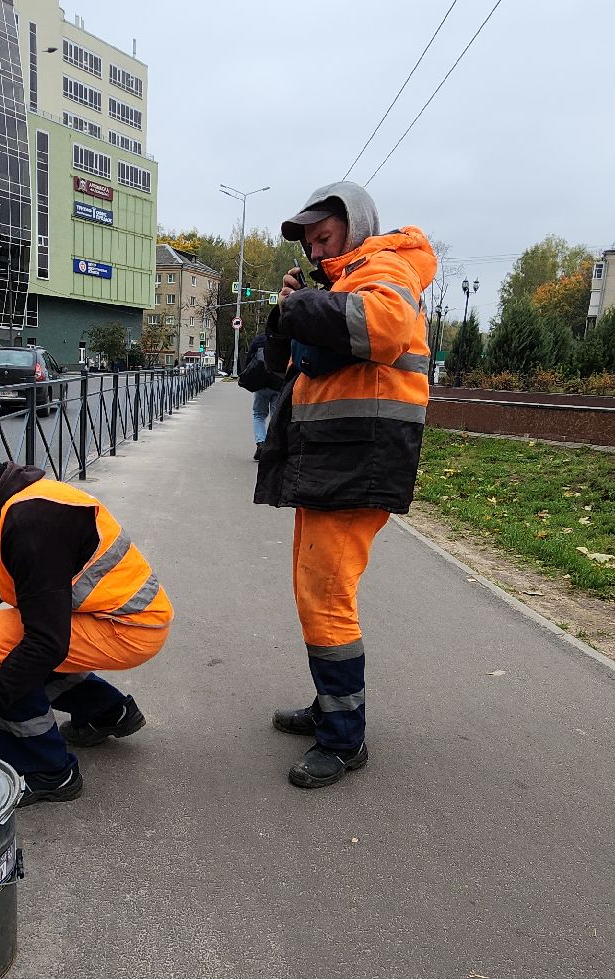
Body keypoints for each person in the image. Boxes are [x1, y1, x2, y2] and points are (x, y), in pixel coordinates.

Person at [241, 181, 435, 789]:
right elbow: (275, 372)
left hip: (360, 460)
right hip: (334, 461)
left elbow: (383, 328)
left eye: (325, 237)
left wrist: (301, 309)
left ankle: (344, 740)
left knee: (327, 598)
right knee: (313, 591)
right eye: (310, 243)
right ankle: (332, 707)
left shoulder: (385, 267)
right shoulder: (344, 281)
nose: (317, 251)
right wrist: (293, 317)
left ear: (355, 226)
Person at [0, 438, 173, 804]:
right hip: (124, 616)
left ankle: (45, 772)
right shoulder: (18, 501)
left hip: (129, 627)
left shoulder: (29, 525)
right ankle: (108, 712)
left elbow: (46, 644)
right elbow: (6, 576)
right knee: (13, 635)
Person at [245, 331, 279, 460]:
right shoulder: (283, 338)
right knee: (276, 417)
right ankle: (275, 447)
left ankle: (261, 443)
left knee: (259, 414)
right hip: (279, 383)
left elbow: (250, 361)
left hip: (261, 383)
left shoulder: (258, 340)